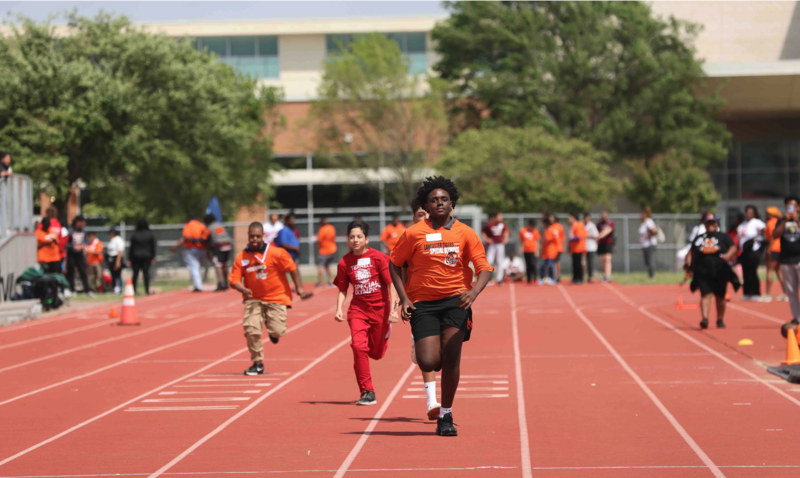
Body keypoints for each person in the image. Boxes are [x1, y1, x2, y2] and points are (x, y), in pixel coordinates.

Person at [389, 176, 493, 437]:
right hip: (422, 303)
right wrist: (404, 298)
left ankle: (446, 414)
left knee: (451, 356)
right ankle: (433, 356)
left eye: (444, 199)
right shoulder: (413, 233)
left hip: (456, 301)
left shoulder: (466, 233)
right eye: (433, 200)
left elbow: (484, 268)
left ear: (452, 203)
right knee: (428, 360)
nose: (439, 203)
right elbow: (395, 263)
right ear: (425, 205)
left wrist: (474, 292)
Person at [229, 222, 310, 375]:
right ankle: (257, 363)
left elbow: (292, 268)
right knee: (251, 330)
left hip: (276, 297)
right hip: (253, 299)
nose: (254, 239)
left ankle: (272, 330)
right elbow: (233, 280)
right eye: (252, 236)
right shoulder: (242, 256)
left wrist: (299, 287)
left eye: (257, 236)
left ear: (263, 236)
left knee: (278, 331)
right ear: (248, 236)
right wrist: (242, 289)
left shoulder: (276, 253)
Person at [334, 219, 399, 405]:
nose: (355, 240)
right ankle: (367, 391)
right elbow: (342, 289)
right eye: (352, 237)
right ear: (348, 240)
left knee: (376, 354)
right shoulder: (344, 262)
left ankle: (382, 338)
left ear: (367, 239)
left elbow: (391, 284)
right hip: (358, 310)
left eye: (359, 236)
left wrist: (393, 310)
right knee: (358, 346)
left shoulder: (379, 258)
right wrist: (338, 309)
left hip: (381, 310)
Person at [404, 198, 441, 419]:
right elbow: (397, 270)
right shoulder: (409, 238)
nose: (426, 218)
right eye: (420, 214)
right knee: (427, 355)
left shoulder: (446, 235)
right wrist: (400, 300)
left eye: (428, 213)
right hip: (420, 303)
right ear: (414, 218)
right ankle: (432, 401)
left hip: (447, 300)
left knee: (442, 353)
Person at [685, 213, 738, 329]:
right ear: (704, 225)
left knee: (720, 296)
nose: (710, 225)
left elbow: (733, 247)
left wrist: (728, 255)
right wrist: (688, 263)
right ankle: (704, 318)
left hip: (720, 271)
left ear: (717, 224)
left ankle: (720, 319)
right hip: (703, 272)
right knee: (705, 294)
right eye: (708, 223)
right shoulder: (699, 238)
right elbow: (691, 251)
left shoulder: (723, 237)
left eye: (712, 223)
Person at [774, 196, 800, 324]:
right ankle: (797, 317)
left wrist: (797, 221)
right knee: (791, 291)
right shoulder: (781, 221)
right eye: (788, 206)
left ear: (798, 207)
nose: (791, 209)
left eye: (793, 206)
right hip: (786, 260)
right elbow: (775, 235)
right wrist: (785, 221)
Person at [171, 216, 210, 292]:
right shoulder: (202, 225)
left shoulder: (188, 226)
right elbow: (206, 237)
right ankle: (199, 283)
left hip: (191, 249)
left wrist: (175, 247)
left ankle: (198, 286)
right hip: (202, 249)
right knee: (198, 267)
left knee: (194, 268)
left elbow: (185, 237)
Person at [737, 205, 766, 301]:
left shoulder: (756, 222)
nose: (748, 214)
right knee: (745, 272)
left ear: (754, 213)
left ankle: (756, 292)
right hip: (743, 251)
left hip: (753, 250)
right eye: (747, 212)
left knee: (753, 272)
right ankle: (747, 292)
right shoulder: (742, 224)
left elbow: (765, 230)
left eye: (751, 212)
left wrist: (760, 238)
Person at [203, 214, 233, 291]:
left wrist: (208, 251)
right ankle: (226, 282)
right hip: (228, 245)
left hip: (219, 246)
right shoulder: (220, 225)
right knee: (225, 264)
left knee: (218, 264)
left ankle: (220, 283)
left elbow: (206, 239)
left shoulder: (209, 227)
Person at [65, 215, 93, 296]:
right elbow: (65, 243)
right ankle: (72, 290)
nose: (84, 224)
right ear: (77, 222)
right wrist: (73, 247)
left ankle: (87, 290)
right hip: (71, 254)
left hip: (80, 254)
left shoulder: (83, 230)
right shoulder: (69, 229)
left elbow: (86, 240)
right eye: (82, 222)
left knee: (83, 271)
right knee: (71, 271)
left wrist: (83, 245)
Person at [765, 206, 787, 302]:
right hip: (781, 248)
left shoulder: (770, 223)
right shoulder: (781, 222)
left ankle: (767, 294)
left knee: (770, 271)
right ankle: (785, 293)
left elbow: (771, 237)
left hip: (773, 248)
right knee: (779, 272)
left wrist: (768, 249)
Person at [128, 219, 157, 295]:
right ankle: (147, 290)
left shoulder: (135, 234)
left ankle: (133, 290)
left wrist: (129, 258)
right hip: (147, 256)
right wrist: (153, 256)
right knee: (146, 273)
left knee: (135, 274)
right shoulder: (150, 234)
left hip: (136, 256)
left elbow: (131, 248)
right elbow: (153, 246)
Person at [482, 212, 509, 285]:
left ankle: (499, 279)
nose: (501, 218)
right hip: (492, 245)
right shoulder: (489, 225)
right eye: (499, 217)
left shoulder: (502, 224)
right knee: (489, 261)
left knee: (500, 262)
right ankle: (488, 278)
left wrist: (506, 238)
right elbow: (483, 232)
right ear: (495, 217)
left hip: (500, 245)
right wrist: (486, 239)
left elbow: (506, 232)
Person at [316, 217, 338, 287]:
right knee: (328, 266)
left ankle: (319, 282)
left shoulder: (322, 229)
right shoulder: (331, 228)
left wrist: (319, 246)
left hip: (324, 250)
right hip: (332, 249)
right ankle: (331, 281)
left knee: (320, 266)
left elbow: (319, 240)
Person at [639, 207, 658, 280]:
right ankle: (650, 275)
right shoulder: (644, 223)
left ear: (645, 215)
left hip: (650, 244)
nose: (641, 217)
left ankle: (652, 276)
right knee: (647, 261)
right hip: (645, 245)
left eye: (642, 215)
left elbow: (654, 230)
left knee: (650, 261)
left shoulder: (648, 221)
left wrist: (649, 236)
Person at [568, 213, 587, 284]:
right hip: (574, 248)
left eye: (570, 217)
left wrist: (571, 239)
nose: (568, 219)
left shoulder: (579, 225)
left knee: (578, 263)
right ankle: (575, 277)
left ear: (574, 217)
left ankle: (580, 278)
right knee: (574, 264)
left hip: (579, 248)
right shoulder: (573, 226)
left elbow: (579, 236)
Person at [519, 219, 540, 284]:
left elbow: (537, 241)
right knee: (528, 265)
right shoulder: (523, 231)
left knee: (533, 264)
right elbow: (521, 241)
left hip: (533, 250)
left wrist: (537, 250)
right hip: (526, 250)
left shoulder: (535, 231)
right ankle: (529, 279)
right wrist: (520, 249)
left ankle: (535, 278)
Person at [539, 215, 558, 284]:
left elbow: (547, 240)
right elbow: (542, 240)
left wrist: (544, 233)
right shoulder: (544, 231)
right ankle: (542, 278)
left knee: (550, 266)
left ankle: (552, 278)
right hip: (544, 252)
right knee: (542, 266)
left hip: (551, 251)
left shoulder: (552, 230)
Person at [596, 211, 615, 282]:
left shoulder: (611, 222)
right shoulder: (599, 223)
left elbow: (608, 230)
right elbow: (597, 231)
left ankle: (608, 276)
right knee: (602, 259)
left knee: (607, 259)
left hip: (608, 243)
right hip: (601, 243)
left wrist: (600, 235)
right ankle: (604, 275)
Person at [106, 228, 125, 293]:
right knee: (113, 275)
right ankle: (114, 288)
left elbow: (120, 252)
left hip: (116, 258)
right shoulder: (112, 240)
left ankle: (119, 288)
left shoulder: (118, 240)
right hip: (111, 259)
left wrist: (118, 262)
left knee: (118, 274)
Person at [549, 214, 565, 282]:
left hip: (558, 247)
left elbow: (563, 237)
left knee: (557, 262)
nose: (550, 219)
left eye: (551, 218)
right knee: (552, 262)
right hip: (551, 248)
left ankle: (558, 276)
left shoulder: (559, 226)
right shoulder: (550, 227)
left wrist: (563, 247)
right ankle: (553, 276)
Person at [584, 213, 599, 283]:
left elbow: (596, 236)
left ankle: (591, 276)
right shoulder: (584, 225)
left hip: (591, 246)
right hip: (585, 246)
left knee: (591, 262)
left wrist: (587, 236)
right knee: (586, 262)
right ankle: (588, 275)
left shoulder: (592, 225)